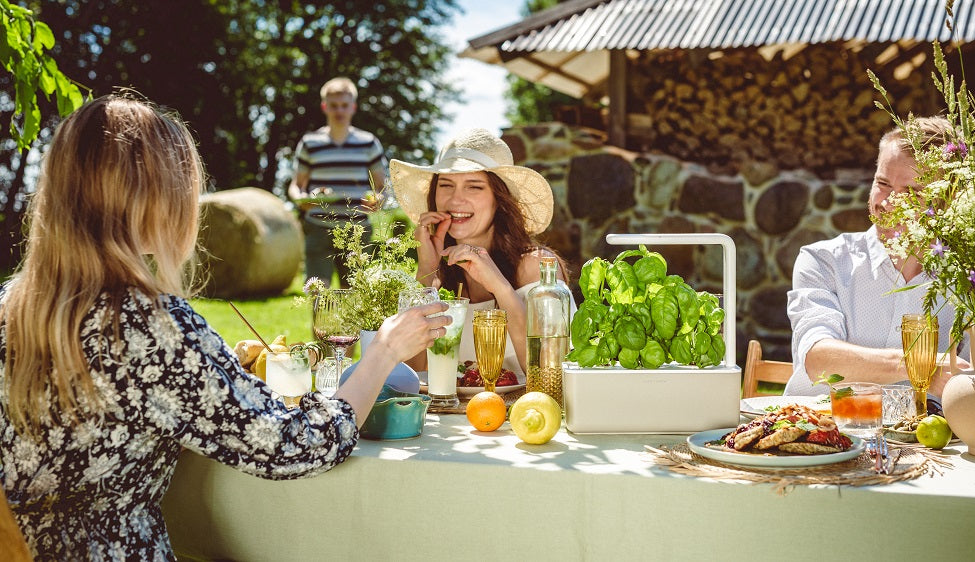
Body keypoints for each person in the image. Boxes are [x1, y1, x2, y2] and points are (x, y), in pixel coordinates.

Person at [0, 94, 449, 561]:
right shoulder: (152, 328)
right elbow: (294, 446)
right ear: (151, 199)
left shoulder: (11, 306)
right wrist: (383, 351)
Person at [785, 116, 971, 398]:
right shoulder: (823, 261)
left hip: (930, 440)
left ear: (948, 199)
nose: (885, 203)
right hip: (820, 432)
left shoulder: (973, 278)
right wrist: (919, 365)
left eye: (911, 192)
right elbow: (818, 359)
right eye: (882, 183)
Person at [391, 128, 576, 377]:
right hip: (451, 415)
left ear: (498, 199)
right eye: (446, 185)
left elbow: (549, 373)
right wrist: (426, 271)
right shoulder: (440, 278)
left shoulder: (537, 267)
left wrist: (499, 286)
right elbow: (413, 373)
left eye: (474, 187)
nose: (456, 200)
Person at [288, 77, 387, 285]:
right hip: (317, 226)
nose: (339, 111)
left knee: (354, 296)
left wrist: (378, 200)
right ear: (325, 107)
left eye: (344, 105)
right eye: (334, 106)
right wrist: (301, 199)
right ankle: (318, 320)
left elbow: (381, 186)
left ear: (353, 107)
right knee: (318, 292)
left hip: (357, 228)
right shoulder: (310, 143)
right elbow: (296, 185)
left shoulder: (368, 143)